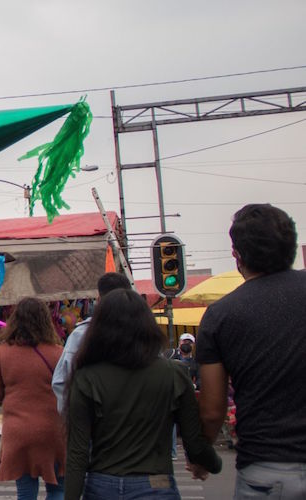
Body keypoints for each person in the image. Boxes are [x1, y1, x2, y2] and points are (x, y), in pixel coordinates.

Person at [66, 289, 221, 500]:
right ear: (148, 326)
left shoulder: (86, 377)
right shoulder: (174, 375)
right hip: (156, 484)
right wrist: (213, 464)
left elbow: (78, 453)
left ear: (99, 329)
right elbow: (194, 444)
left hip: (103, 486)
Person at [197, 203, 306, 497]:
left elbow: (212, 411)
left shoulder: (220, 315)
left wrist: (202, 453)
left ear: (238, 255)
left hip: (266, 471)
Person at [0, 297, 66, 500]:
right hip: (54, 431)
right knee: (57, 490)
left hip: (19, 433)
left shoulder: (2, 353)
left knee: (26, 494)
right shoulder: (59, 353)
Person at [52, 272, 131, 413]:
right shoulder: (145, 331)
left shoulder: (81, 335)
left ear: (99, 299)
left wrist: (76, 424)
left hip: (96, 424)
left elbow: (61, 382)